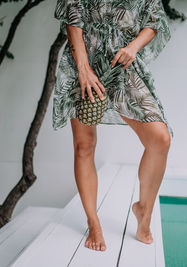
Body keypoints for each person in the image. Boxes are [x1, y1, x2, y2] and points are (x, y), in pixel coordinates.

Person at [52, 0, 173, 251]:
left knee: (159, 138)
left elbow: (154, 19)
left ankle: (144, 210)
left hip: (122, 62)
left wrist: (133, 47)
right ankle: (93, 222)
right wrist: (83, 68)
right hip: (83, 59)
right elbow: (72, 17)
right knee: (84, 145)